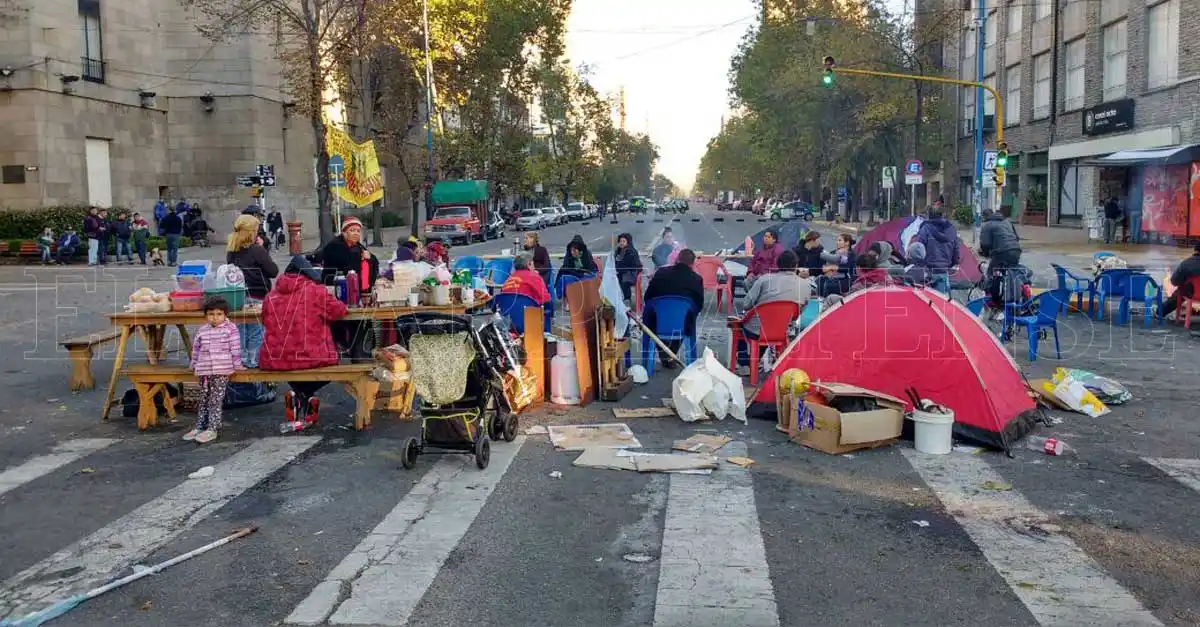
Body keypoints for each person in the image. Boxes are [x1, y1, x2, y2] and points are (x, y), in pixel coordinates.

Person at [261, 255, 349, 425]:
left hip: (275, 357)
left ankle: (300, 397)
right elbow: (339, 311)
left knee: (290, 366)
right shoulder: (315, 291)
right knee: (331, 368)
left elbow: (265, 320)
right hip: (310, 355)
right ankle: (303, 395)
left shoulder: (270, 296)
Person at [735, 249, 810, 366]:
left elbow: (746, 304)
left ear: (778, 264)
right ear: (796, 266)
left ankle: (744, 362)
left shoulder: (765, 279)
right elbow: (797, 314)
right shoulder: (805, 285)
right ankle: (760, 361)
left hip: (756, 329)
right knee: (764, 328)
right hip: (782, 329)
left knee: (738, 326)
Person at [184, 297, 243, 444]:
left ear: (225, 315)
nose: (215, 318)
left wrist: (237, 365)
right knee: (203, 398)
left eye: (219, 314)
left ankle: (212, 428)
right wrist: (194, 363)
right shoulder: (202, 330)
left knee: (215, 400)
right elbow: (196, 349)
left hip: (221, 370)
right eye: (211, 314)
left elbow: (235, 349)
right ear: (205, 315)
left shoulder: (230, 329)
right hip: (204, 370)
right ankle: (200, 426)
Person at [226, 213, 278, 361]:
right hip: (257, 295)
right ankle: (253, 362)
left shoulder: (231, 251)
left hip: (238, 297)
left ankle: (240, 361)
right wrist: (263, 249)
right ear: (251, 232)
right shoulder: (257, 250)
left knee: (240, 331)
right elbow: (273, 271)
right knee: (256, 331)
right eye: (256, 230)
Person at [642, 249, 705, 369]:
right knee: (686, 320)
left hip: (655, 323)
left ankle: (661, 357)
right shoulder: (696, 279)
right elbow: (699, 306)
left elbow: (647, 297)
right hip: (683, 326)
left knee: (652, 320)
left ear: (677, 259)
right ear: (692, 264)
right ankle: (669, 356)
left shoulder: (661, 273)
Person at [313, 216, 379, 287]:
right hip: (335, 284)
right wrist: (361, 258)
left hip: (352, 283)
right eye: (352, 230)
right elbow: (347, 264)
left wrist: (370, 258)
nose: (356, 233)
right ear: (344, 233)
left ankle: (366, 288)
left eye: (358, 231)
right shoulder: (335, 245)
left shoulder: (357, 245)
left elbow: (374, 260)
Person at [978, 209, 1022, 307]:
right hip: (1016, 250)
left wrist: (984, 253)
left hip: (1002, 252)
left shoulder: (987, 225)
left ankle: (994, 300)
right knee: (1011, 271)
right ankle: (1017, 294)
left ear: (984, 217)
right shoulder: (1007, 222)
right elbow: (1016, 238)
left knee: (992, 273)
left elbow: (985, 244)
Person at [915, 209, 960, 285]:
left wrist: (918, 265)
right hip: (945, 269)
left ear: (929, 216)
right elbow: (956, 250)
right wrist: (954, 263)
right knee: (943, 290)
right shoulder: (950, 229)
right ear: (942, 215)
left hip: (929, 270)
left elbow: (918, 248)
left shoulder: (925, 229)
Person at [1158, 243, 1200, 319]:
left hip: (1192, 294)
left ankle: (1160, 312)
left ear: (1195, 251)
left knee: (1180, 291)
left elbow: (1174, 282)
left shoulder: (1186, 263)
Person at [613, 232, 643, 301]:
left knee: (624, 281)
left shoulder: (631, 251)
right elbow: (617, 263)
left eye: (624, 241)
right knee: (613, 279)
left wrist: (619, 267)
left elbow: (626, 264)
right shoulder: (619, 250)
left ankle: (627, 299)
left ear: (628, 242)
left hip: (632, 273)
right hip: (623, 272)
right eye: (620, 241)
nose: (621, 243)